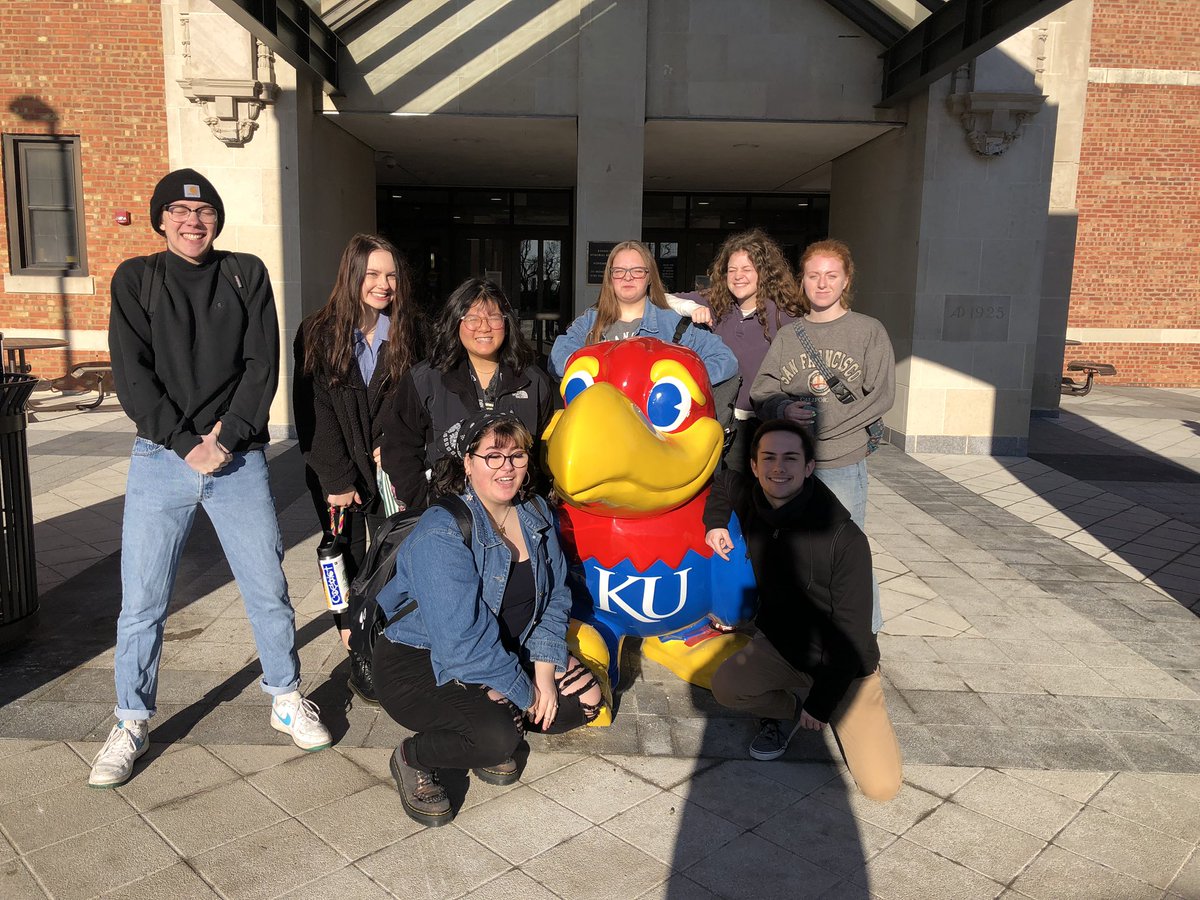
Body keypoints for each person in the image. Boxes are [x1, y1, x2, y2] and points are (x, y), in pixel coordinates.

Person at [94, 168, 330, 788]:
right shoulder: (136, 280)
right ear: (161, 219)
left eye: (202, 213)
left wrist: (224, 439)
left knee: (266, 588)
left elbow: (262, 363)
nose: (191, 221)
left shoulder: (244, 273)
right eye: (177, 211)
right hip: (159, 460)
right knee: (142, 602)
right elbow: (132, 371)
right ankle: (130, 720)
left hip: (238, 458)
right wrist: (181, 443)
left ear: (216, 220)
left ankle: (284, 696)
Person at [373, 410, 604, 826]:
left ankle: (493, 724)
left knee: (585, 702)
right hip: (421, 661)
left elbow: (555, 599)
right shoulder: (440, 532)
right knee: (498, 736)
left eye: (516, 456)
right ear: (468, 462)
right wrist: (526, 692)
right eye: (492, 456)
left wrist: (546, 676)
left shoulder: (536, 513)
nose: (507, 467)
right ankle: (414, 755)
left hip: (500, 650)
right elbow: (462, 644)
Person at [704, 420, 901, 801]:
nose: (779, 468)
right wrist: (715, 524)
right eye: (770, 458)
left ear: (809, 467)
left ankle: (819, 699)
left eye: (791, 458)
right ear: (756, 466)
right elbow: (724, 483)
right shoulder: (754, 499)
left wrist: (823, 703)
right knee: (726, 687)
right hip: (782, 646)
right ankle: (784, 707)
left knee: (882, 788)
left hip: (843, 668)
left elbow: (853, 636)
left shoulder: (845, 540)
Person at [293, 233, 422, 705]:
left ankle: (386, 638)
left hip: (388, 472)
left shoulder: (410, 331)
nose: (383, 284)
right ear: (351, 275)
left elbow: (413, 399)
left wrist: (394, 442)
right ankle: (356, 651)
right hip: (337, 479)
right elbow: (313, 411)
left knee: (388, 557)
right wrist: (336, 478)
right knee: (341, 561)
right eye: (372, 274)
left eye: (390, 275)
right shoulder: (317, 333)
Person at [750, 238, 894, 633]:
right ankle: (799, 630)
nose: (822, 283)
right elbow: (763, 388)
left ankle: (862, 640)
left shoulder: (868, 331)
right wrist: (783, 408)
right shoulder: (789, 336)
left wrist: (830, 433)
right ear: (803, 281)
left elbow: (881, 396)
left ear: (846, 280)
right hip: (790, 466)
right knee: (793, 551)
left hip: (842, 463)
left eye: (831, 276)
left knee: (847, 552)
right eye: (814, 275)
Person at [379, 278, 554, 512]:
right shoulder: (425, 379)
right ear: (456, 322)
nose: (484, 327)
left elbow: (547, 454)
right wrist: (425, 503)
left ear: (507, 323)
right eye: (472, 318)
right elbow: (399, 447)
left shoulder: (534, 381)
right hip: (449, 514)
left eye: (493, 317)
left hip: (516, 513)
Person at [667, 229, 803, 472]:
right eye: (732, 270)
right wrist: (690, 307)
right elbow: (661, 298)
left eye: (747, 269)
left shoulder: (784, 317)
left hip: (763, 428)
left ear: (764, 273)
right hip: (718, 425)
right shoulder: (717, 304)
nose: (738, 276)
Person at [548, 240, 738, 388]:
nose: (628, 277)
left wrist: (678, 381)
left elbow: (724, 359)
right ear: (610, 277)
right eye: (619, 271)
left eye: (637, 271)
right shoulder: (590, 321)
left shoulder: (673, 325)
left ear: (649, 277)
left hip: (654, 433)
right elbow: (558, 357)